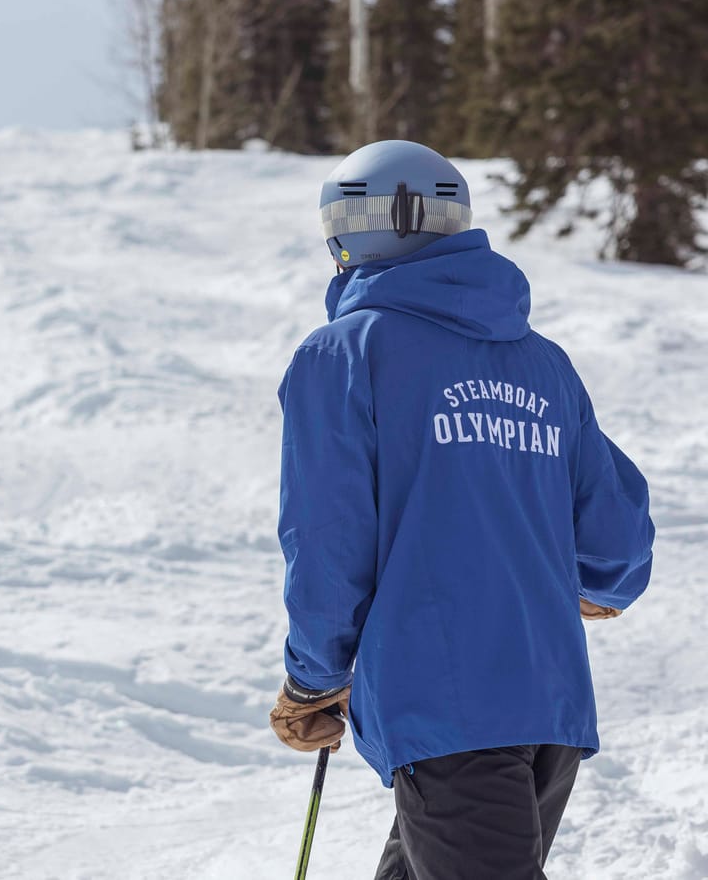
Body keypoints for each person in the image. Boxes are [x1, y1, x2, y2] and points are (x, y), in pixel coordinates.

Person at [267, 140, 654, 879]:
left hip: (441, 702)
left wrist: (313, 680)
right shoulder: (544, 364)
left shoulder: (345, 353)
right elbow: (617, 539)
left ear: (347, 234)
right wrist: (583, 587)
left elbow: (328, 541)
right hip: (548, 701)